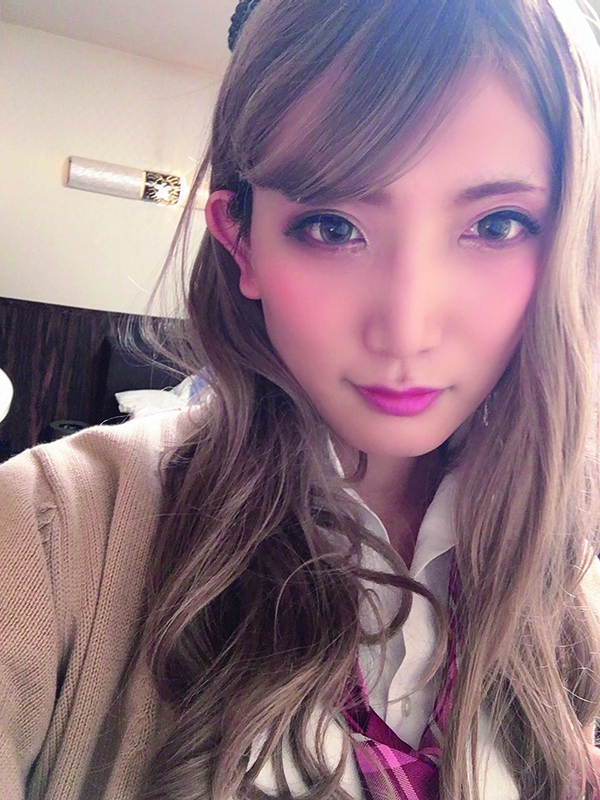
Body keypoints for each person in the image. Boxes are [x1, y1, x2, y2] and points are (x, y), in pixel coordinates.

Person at [2, 0, 600, 798]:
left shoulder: (568, 573)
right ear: (242, 242)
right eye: (332, 227)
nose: (406, 330)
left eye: (495, 226)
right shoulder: (47, 534)